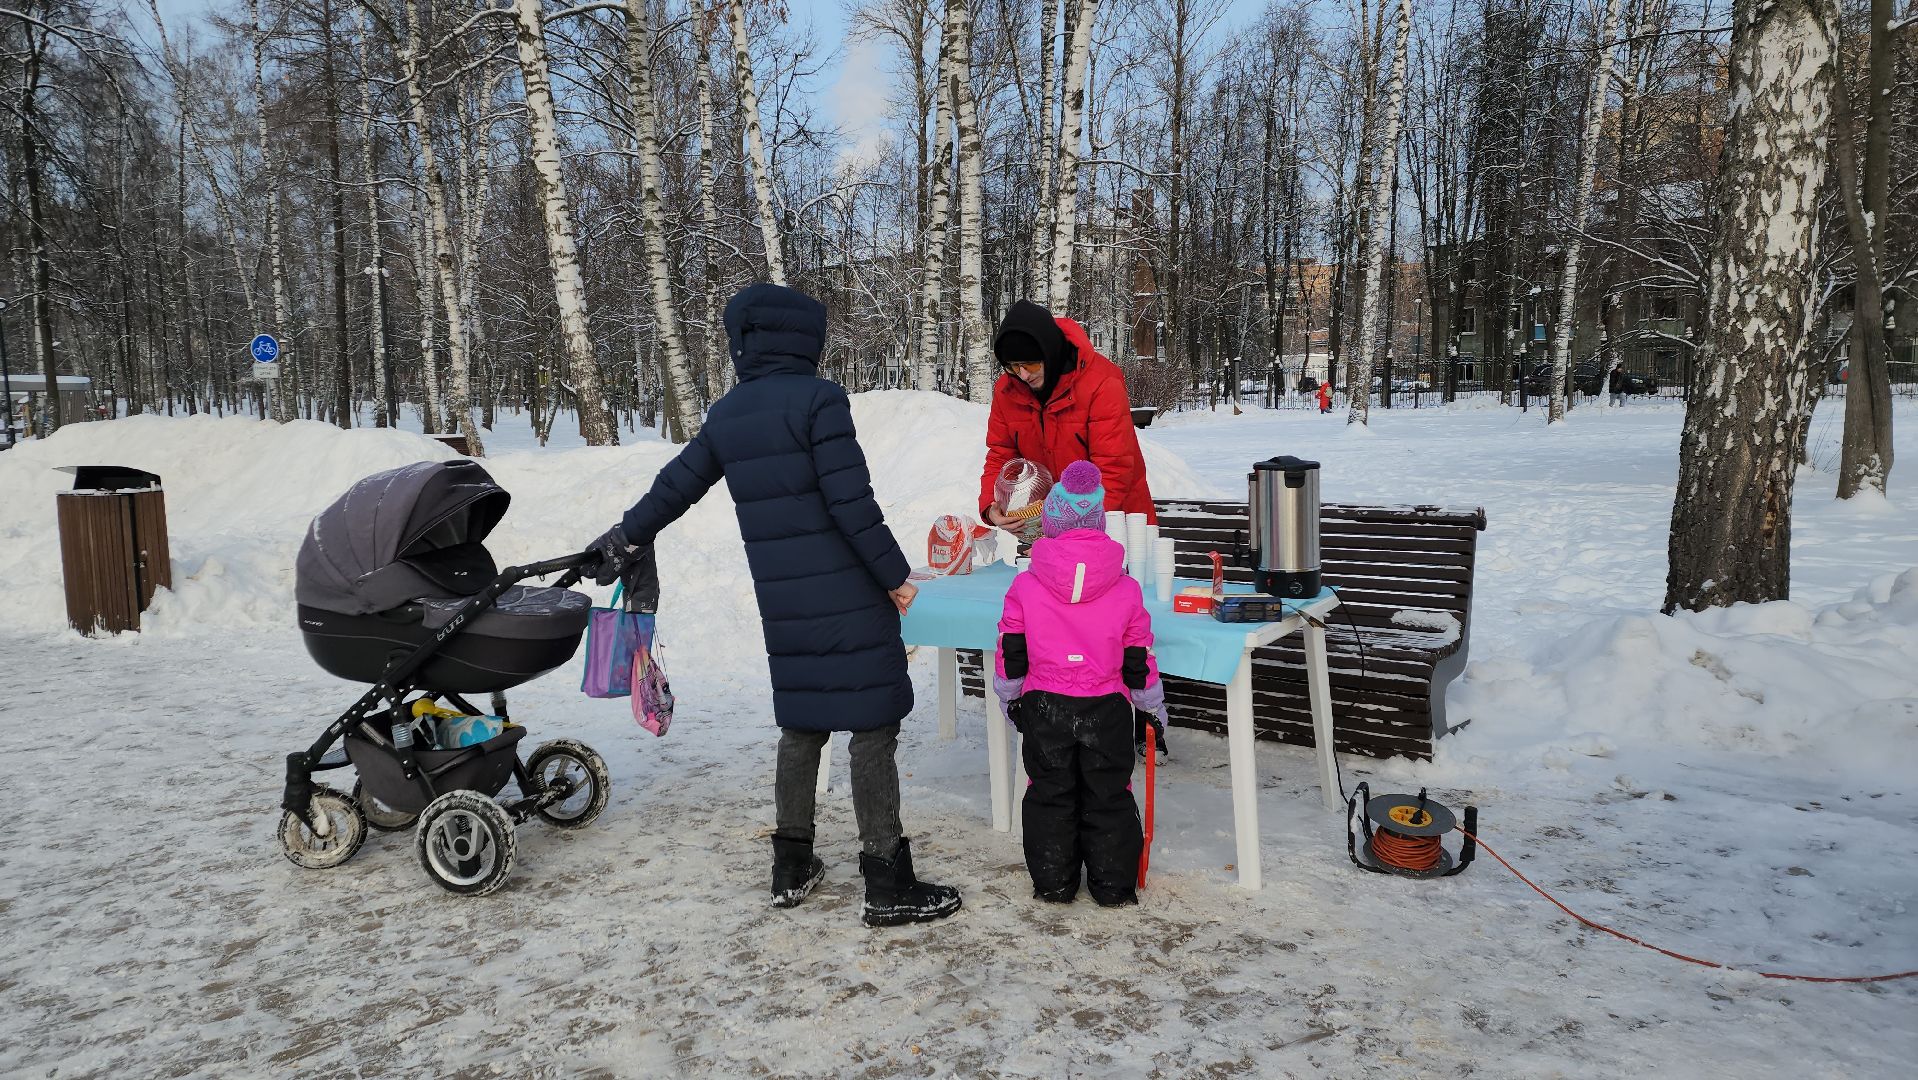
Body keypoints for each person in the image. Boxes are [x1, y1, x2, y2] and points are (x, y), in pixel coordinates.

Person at [583, 283, 961, 929]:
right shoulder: (819, 401)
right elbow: (852, 505)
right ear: (804, 338)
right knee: (873, 724)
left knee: (804, 723)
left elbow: (675, 486)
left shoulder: (729, 415)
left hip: (784, 602)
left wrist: (623, 537)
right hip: (847, 593)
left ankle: (791, 866)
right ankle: (886, 880)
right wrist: (896, 577)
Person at [992, 461, 1166, 907]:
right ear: (1098, 524)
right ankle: (1113, 886)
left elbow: (1011, 648)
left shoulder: (1026, 586)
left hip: (1044, 705)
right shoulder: (1126, 589)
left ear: (1050, 524)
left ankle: (1054, 882)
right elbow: (1139, 657)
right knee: (1109, 794)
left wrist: (1010, 697)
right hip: (1106, 707)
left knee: (1049, 793)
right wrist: (1150, 707)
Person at [978, 300, 1154, 530]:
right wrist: (992, 506)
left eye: (1031, 365)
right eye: (1013, 366)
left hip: (1118, 521)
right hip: (1056, 524)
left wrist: (1069, 530)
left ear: (1049, 352)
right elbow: (1001, 456)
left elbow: (1113, 469)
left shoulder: (1102, 383)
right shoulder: (1007, 390)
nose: (1023, 375)